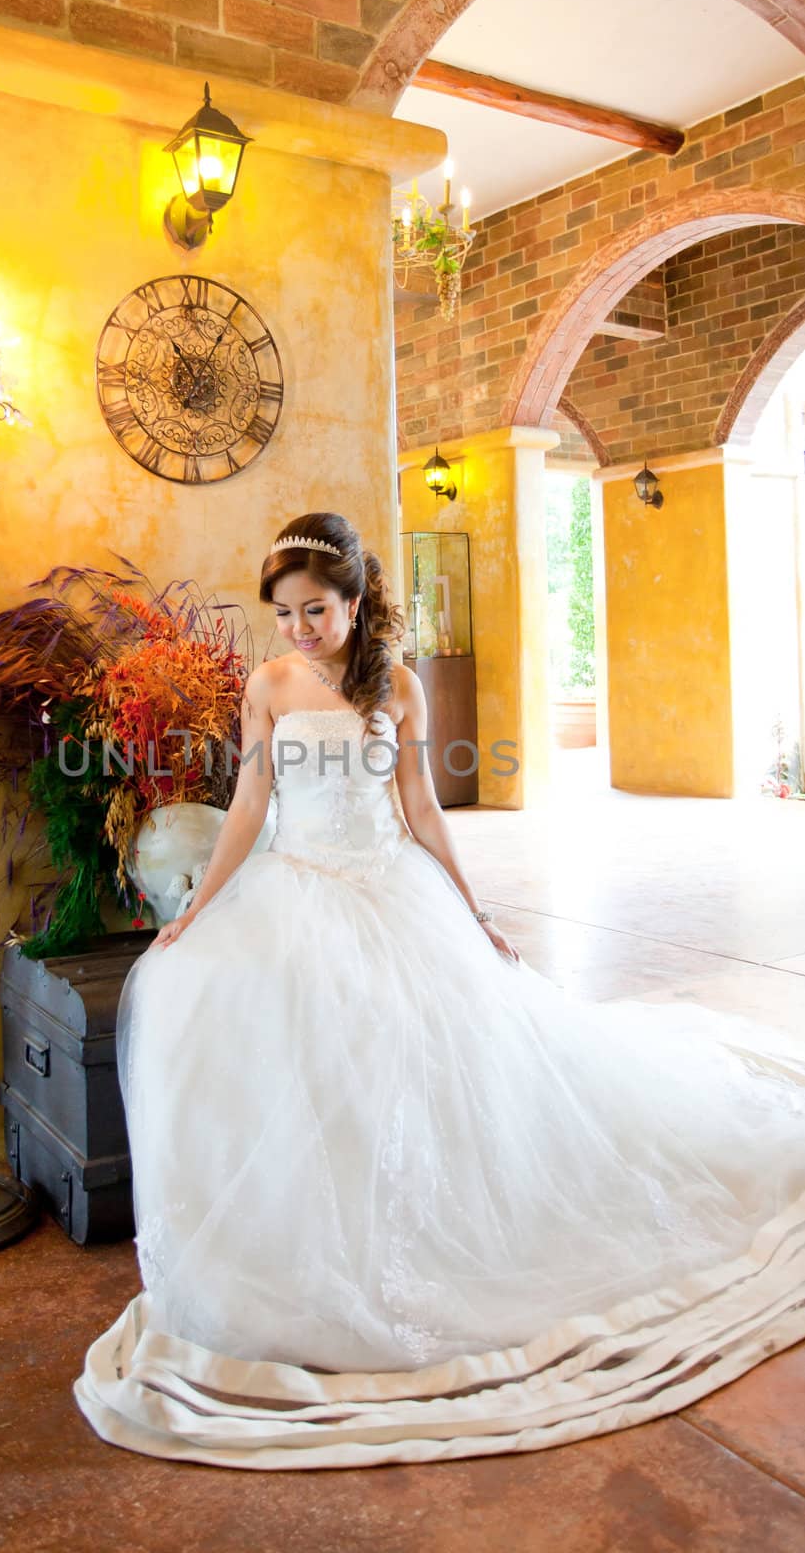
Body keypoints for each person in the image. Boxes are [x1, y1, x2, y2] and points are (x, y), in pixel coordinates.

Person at [74, 510, 805, 1470]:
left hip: (389, 891)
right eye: (286, 613)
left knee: (419, 1057)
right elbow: (251, 801)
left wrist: (469, 906)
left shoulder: (399, 686)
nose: (298, 628)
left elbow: (417, 803)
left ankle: (423, 1228)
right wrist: (199, 908)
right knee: (245, 1029)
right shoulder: (269, 685)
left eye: (316, 611)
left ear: (353, 602)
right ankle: (301, 1249)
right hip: (291, 893)